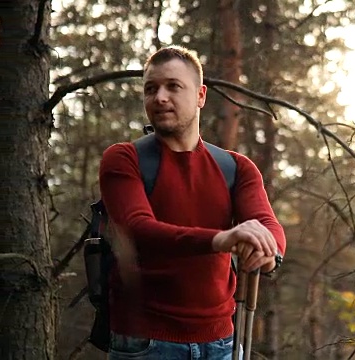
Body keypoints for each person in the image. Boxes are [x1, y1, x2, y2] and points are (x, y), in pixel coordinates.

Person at [98, 45, 286, 360]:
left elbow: (269, 225)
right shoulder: (124, 158)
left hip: (222, 343)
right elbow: (138, 230)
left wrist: (268, 252)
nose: (159, 97)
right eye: (150, 89)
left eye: (173, 86)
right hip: (146, 344)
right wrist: (221, 239)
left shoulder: (236, 167)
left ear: (200, 95)